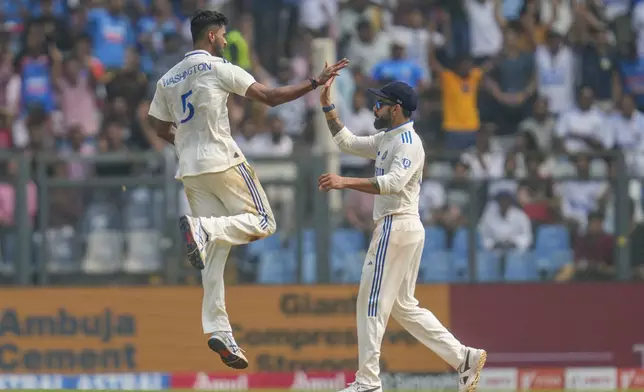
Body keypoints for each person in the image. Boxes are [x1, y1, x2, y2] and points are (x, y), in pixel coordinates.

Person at [146, 9, 348, 370]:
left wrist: (185, 142)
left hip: (190, 169)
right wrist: (315, 83)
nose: (225, 41)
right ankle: (203, 229)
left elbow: (158, 127)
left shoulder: (168, 79)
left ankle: (219, 330)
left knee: (215, 254)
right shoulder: (218, 66)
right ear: (211, 37)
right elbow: (269, 97)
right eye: (223, 35)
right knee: (264, 221)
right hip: (222, 159)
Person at [317, 79, 486, 392]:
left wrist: (344, 182)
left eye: (380, 103)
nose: (375, 107)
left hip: (397, 225)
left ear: (396, 109)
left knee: (370, 302)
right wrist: (328, 107)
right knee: (403, 307)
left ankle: (368, 381)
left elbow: (393, 184)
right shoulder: (387, 138)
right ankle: (463, 358)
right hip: (402, 226)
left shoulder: (408, 141)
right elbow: (347, 143)